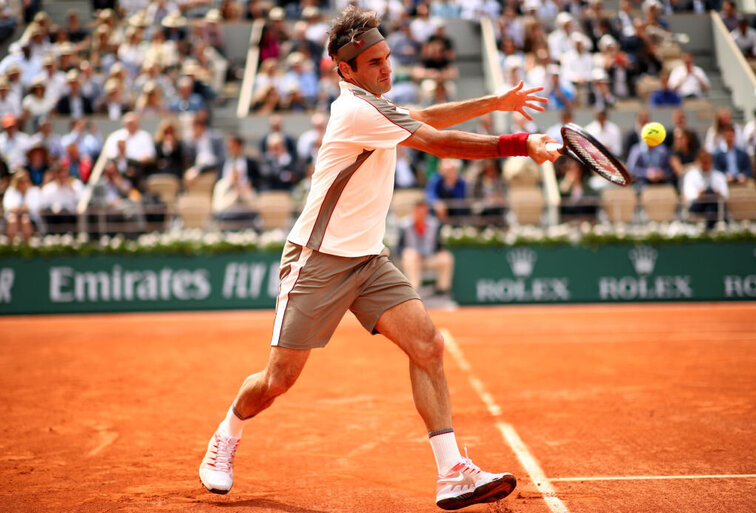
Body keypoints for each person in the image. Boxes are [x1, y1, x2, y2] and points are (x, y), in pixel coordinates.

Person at [198, 6, 558, 511]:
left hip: (367, 261)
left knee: (427, 346)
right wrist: (520, 143)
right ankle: (228, 431)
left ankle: (452, 470)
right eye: (373, 63)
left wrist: (495, 101)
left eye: (387, 57)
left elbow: (424, 119)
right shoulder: (354, 110)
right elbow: (436, 142)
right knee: (278, 379)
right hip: (317, 260)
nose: (386, 69)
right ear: (346, 70)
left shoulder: (375, 104)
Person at [398, 200, 455, 297]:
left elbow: (438, 245)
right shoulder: (404, 225)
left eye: (423, 211)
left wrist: (440, 251)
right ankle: (414, 292)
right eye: (418, 211)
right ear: (414, 211)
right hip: (413, 260)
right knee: (409, 256)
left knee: (446, 258)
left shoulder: (434, 224)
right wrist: (408, 252)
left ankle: (442, 290)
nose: (421, 214)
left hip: (430, 258)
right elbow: (398, 248)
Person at [683, 149, 728, 228]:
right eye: (703, 161)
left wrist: (717, 193)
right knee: (709, 194)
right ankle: (709, 227)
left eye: (708, 161)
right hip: (697, 205)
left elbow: (726, 195)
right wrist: (699, 194)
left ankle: (708, 226)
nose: (706, 164)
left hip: (715, 206)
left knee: (711, 198)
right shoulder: (690, 175)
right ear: (698, 161)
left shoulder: (719, 176)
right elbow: (689, 195)